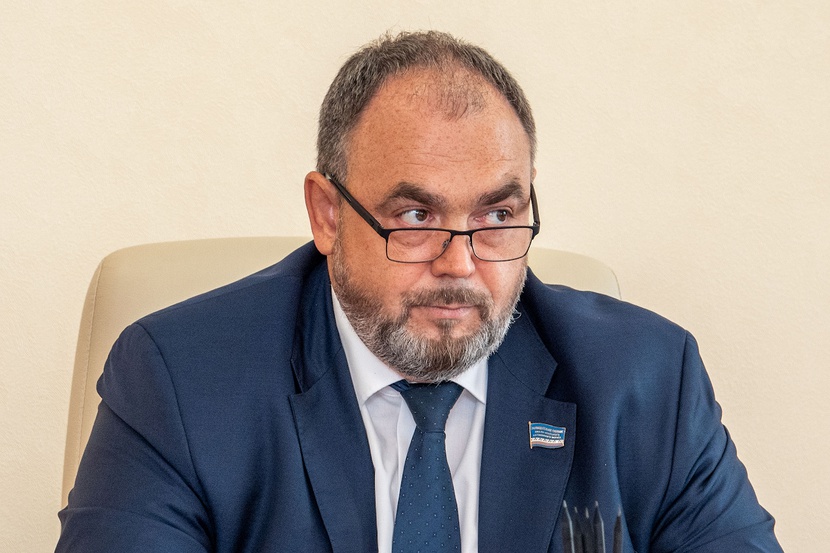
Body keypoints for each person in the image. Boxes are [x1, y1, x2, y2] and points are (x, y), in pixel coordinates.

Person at [56, 31, 782, 553]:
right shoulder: (180, 381)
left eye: (497, 215)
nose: (460, 265)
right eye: (415, 216)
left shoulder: (648, 381)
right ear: (327, 214)